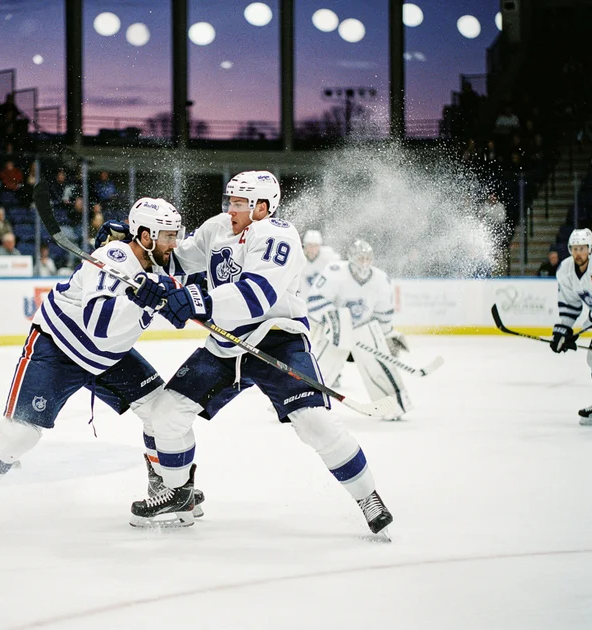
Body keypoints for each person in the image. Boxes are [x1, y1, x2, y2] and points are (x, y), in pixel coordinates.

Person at [127, 172, 393, 536]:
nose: (230, 208)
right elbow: (175, 264)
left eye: (239, 203)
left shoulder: (278, 235)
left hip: (277, 339)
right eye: (230, 200)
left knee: (313, 421)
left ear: (262, 207)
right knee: (167, 412)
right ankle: (179, 491)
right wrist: (136, 249)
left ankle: (367, 497)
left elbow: (256, 297)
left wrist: (196, 300)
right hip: (227, 345)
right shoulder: (217, 228)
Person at [0, 196, 205, 533]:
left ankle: (162, 487)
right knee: (19, 433)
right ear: (147, 236)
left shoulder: (161, 259)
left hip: (109, 357)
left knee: (160, 411)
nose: (174, 243)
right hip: (60, 347)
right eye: (168, 236)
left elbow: (194, 266)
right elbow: (97, 324)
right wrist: (139, 301)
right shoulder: (112, 258)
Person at [307, 239, 412, 421]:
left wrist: (387, 336)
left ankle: (392, 405)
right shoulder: (335, 272)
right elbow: (315, 301)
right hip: (337, 330)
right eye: (360, 258)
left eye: (367, 258)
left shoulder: (380, 279)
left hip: (364, 330)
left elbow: (383, 314)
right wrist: (337, 320)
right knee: (323, 366)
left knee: (378, 365)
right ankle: (301, 403)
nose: (364, 262)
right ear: (351, 258)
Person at [550, 228, 592, 426]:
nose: (578, 253)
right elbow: (569, 306)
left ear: (590, 249)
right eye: (575, 248)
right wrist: (563, 331)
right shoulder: (566, 271)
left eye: (583, 248)